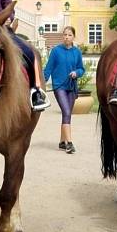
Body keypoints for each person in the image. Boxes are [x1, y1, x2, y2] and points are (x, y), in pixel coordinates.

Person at [43, 26, 84, 154]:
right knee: (66, 111)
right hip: (59, 86)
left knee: (67, 114)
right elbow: (48, 68)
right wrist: (41, 83)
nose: (66, 37)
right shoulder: (56, 51)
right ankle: (69, 143)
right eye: (65, 34)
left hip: (71, 86)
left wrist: (76, 73)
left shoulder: (77, 52)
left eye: (69, 35)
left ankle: (62, 141)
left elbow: (81, 69)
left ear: (73, 37)